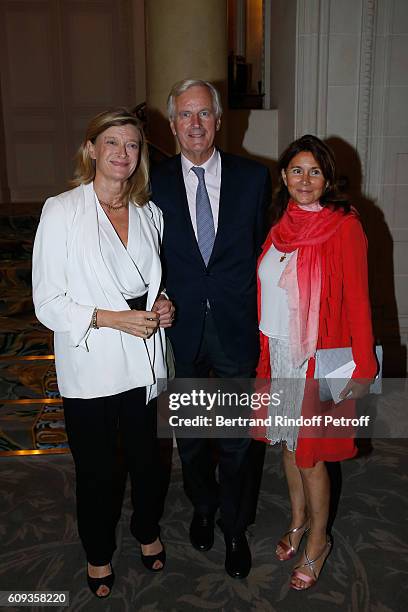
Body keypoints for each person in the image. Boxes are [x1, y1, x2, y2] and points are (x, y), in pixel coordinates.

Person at [32, 108, 175, 598]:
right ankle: (97, 552)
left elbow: (148, 284)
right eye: (111, 142)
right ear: (91, 148)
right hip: (92, 365)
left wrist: (163, 307)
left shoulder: (148, 213)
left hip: (144, 362)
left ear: (141, 156)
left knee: (149, 462)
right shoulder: (62, 210)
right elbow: (48, 302)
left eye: (132, 145)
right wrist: (113, 320)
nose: (122, 153)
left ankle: (147, 530)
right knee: (97, 470)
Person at [151, 79, 271, 579]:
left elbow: (264, 249)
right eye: (185, 115)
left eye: (204, 114)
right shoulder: (151, 181)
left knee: (240, 434)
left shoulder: (254, 178)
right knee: (193, 433)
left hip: (235, 323)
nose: (195, 124)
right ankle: (203, 505)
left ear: (220, 121)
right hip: (179, 327)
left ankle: (236, 525)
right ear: (173, 123)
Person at [256, 134, 377, 590]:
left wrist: (364, 365)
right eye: (296, 170)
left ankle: (319, 541)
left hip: (319, 355)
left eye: (315, 171)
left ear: (328, 179)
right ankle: (298, 519)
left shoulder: (344, 226)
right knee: (289, 445)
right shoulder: (280, 223)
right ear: (284, 176)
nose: (304, 180)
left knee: (310, 454)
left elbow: (358, 301)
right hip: (281, 352)